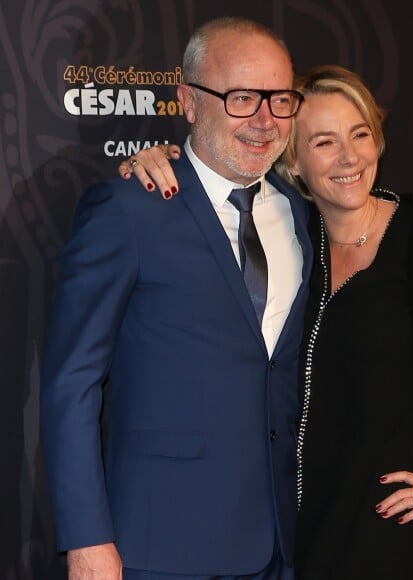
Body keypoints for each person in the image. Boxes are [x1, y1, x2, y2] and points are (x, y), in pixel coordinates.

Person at [119, 65, 413, 579]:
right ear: (294, 163)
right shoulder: (290, 243)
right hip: (314, 534)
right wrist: (157, 161)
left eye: (360, 134)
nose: (349, 157)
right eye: (324, 142)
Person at [40, 17, 313, 580]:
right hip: (158, 547)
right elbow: (72, 383)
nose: (265, 120)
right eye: (241, 98)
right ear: (188, 101)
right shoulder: (128, 210)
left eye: (279, 98)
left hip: (281, 543)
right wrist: (87, 540)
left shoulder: (302, 215)